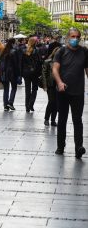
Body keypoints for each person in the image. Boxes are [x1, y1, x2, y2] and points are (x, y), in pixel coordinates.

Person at [52, 28, 88, 159]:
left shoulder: (84, 51)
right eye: (73, 36)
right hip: (63, 92)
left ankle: (79, 147)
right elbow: (55, 69)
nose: (75, 39)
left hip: (78, 92)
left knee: (77, 120)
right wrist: (59, 82)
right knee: (62, 119)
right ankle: (60, 147)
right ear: (68, 37)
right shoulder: (61, 51)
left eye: (77, 36)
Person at [0, 38, 20, 111]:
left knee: (6, 89)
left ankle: (5, 105)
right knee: (14, 88)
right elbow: (16, 64)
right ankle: (10, 102)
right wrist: (18, 73)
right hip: (12, 72)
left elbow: (1, 62)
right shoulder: (14, 51)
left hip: (4, 72)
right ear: (13, 43)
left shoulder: (4, 51)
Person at [42, 46, 60, 126]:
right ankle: (46, 118)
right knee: (51, 102)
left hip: (59, 85)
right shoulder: (48, 62)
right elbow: (44, 74)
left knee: (56, 103)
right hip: (51, 85)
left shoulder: (62, 62)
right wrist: (45, 86)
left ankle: (53, 120)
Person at [21, 37, 41, 113]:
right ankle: (31, 104)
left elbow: (21, 63)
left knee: (27, 90)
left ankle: (27, 106)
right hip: (34, 73)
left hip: (26, 73)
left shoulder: (24, 51)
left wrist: (22, 72)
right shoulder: (37, 50)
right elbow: (39, 62)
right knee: (34, 89)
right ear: (34, 42)